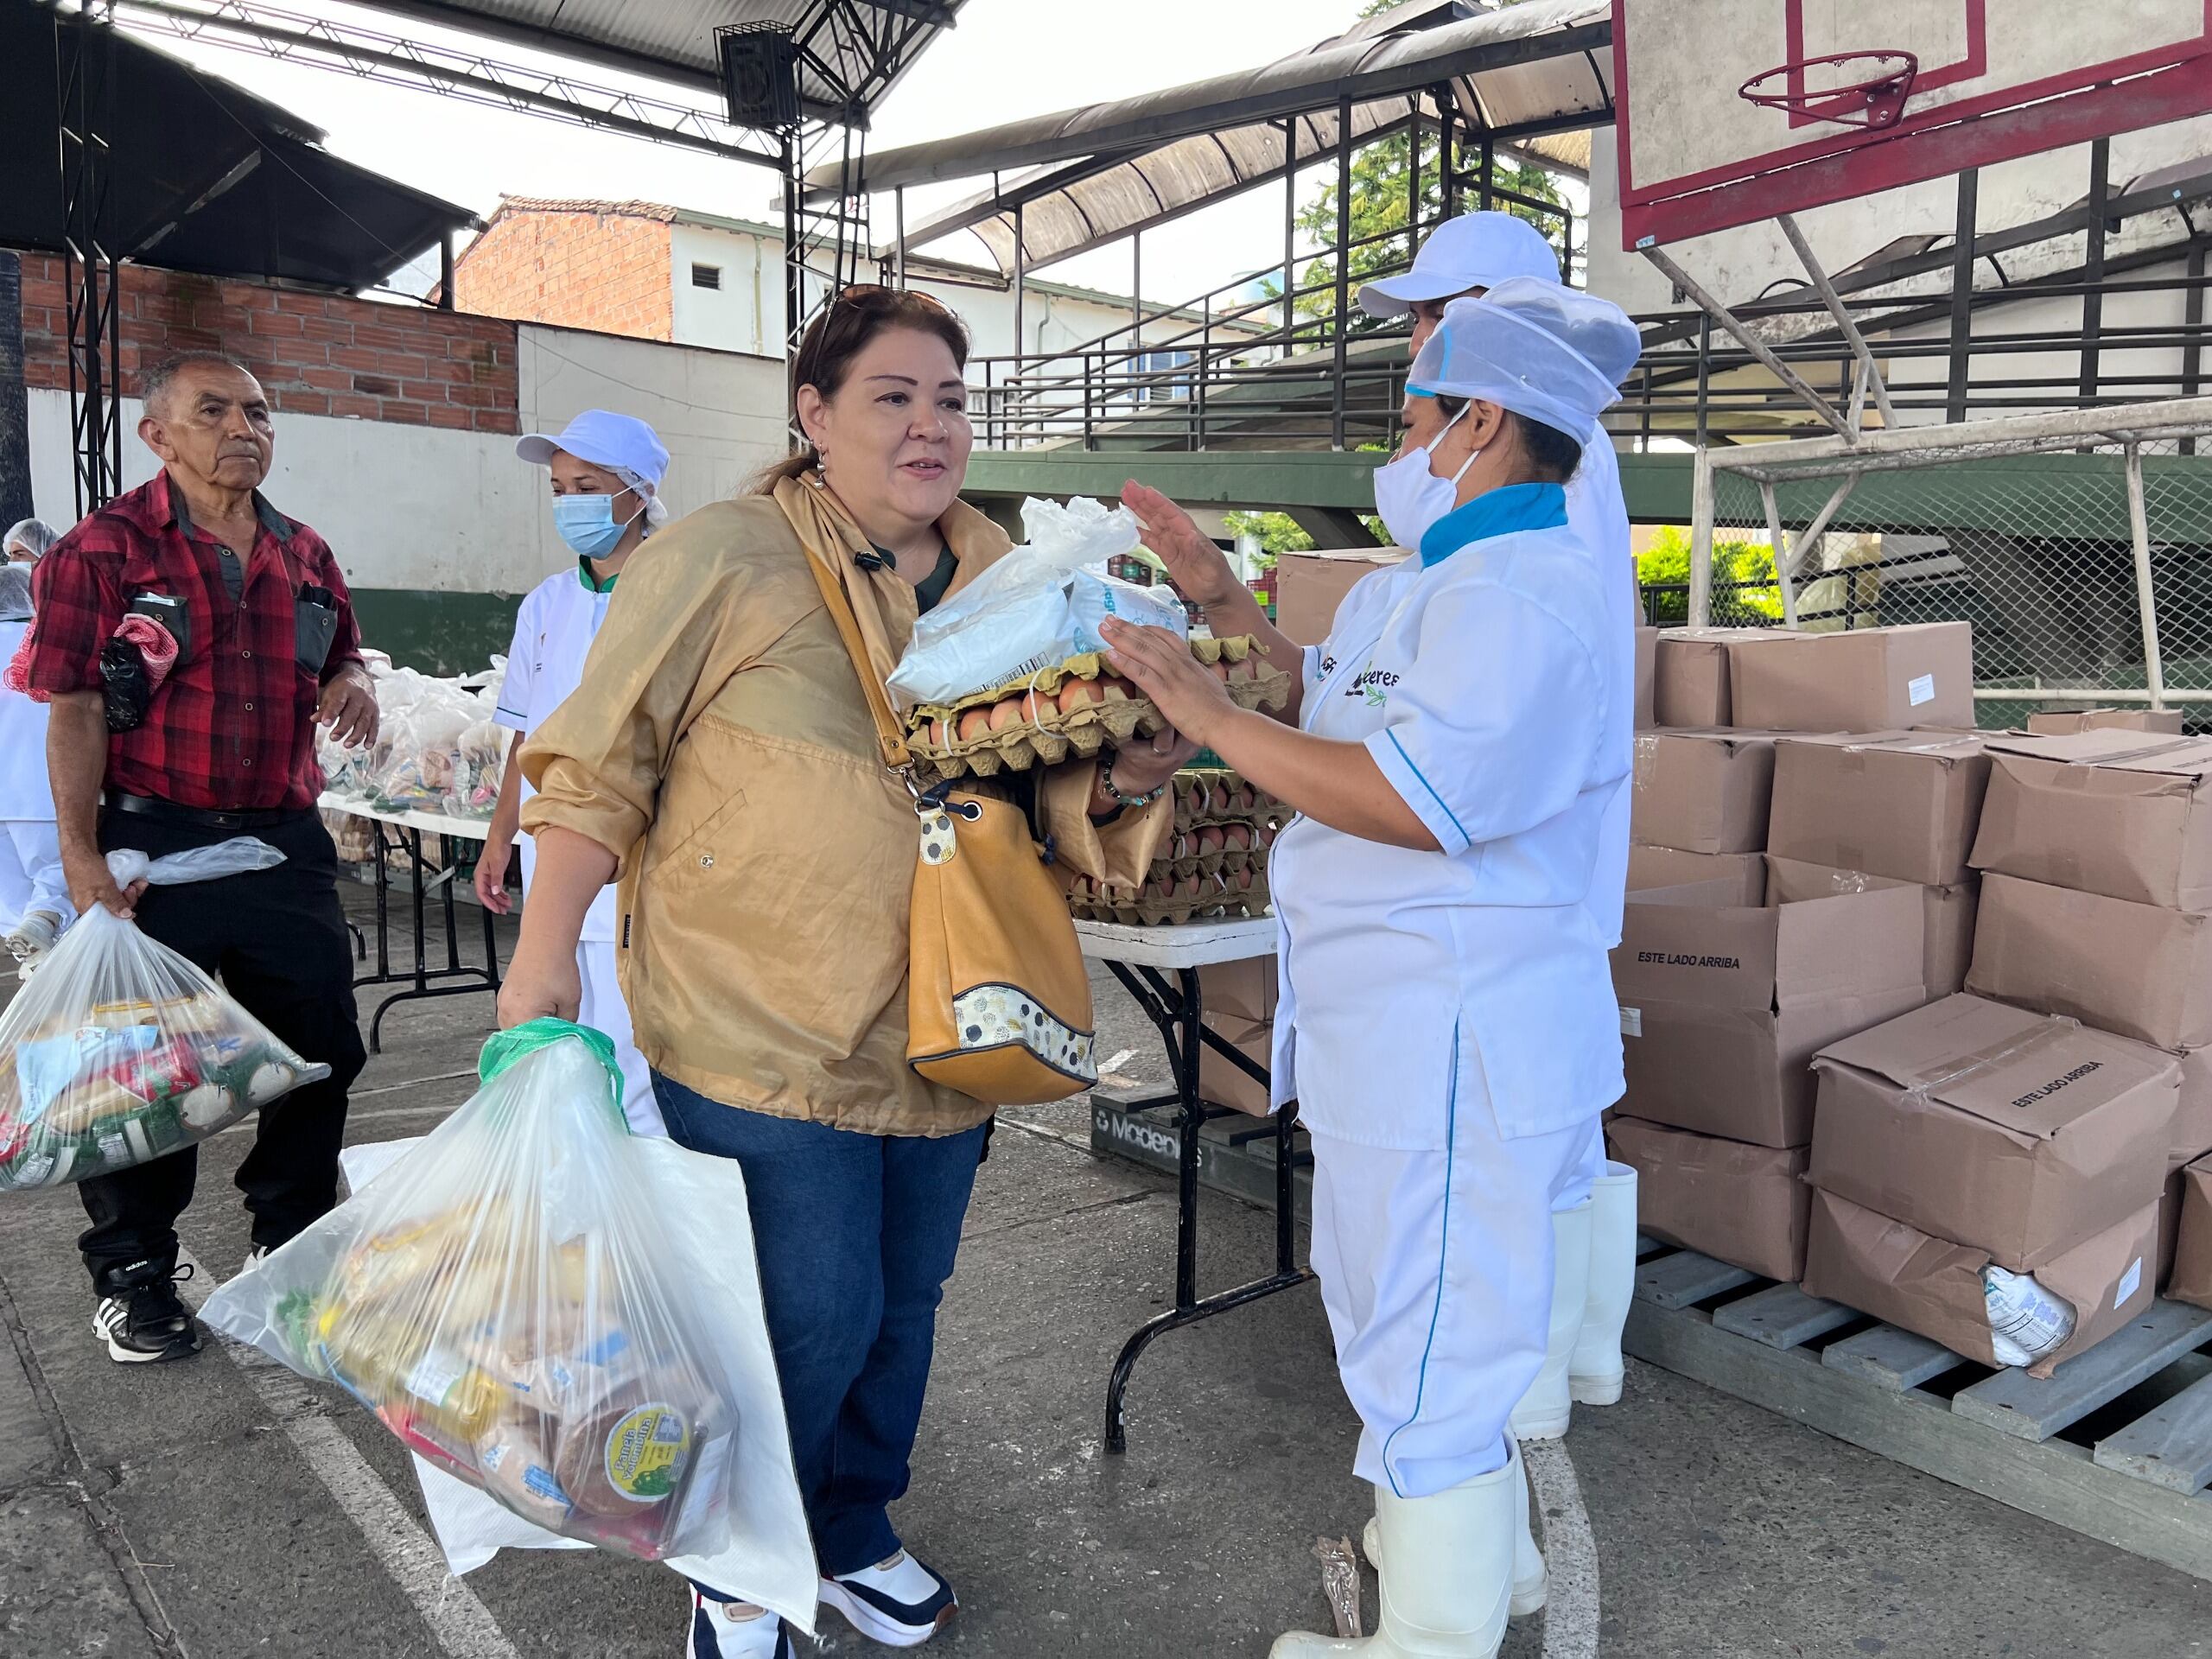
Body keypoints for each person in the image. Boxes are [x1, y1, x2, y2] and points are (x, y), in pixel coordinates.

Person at [497, 286, 1186, 1659]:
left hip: (951, 1013)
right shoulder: (720, 558)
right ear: (812, 415)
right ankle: (743, 1559)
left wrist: (1128, 770)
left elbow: (1059, 808)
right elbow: (597, 765)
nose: (929, 425)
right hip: (761, 1020)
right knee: (803, 1308)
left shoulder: (1017, 580)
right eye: (891, 395)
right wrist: (538, 968)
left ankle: (853, 1522)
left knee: (905, 1304)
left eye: (950, 398)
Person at [1102, 280, 1643, 1659]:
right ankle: (1485, 1567)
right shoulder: (1440, 584)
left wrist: (1210, 714)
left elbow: (1410, 796)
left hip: (1451, 1036)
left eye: (1412, 420)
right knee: (1402, 1320)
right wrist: (1220, 603)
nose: (1394, 454)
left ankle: (1432, 1641)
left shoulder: (1527, 601)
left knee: (1430, 1347)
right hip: (1393, 1034)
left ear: (1482, 420)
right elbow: (1321, 700)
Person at [22, 351, 375, 1364]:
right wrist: (82, 857)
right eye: (213, 409)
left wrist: (353, 677)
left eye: (259, 411)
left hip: (281, 843)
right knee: (145, 1075)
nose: (244, 428)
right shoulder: (100, 552)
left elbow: (342, 646)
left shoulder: (304, 551)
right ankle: (134, 1271)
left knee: (322, 1053)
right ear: (158, 436)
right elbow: (75, 708)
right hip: (152, 843)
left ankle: (290, 1234)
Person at [1364, 211, 1642, 1450]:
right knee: (1557, 1143)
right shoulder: (1569, 480)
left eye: (1432, 322)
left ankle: (1522, 1401)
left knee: (1492, 1217)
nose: (1414, 354)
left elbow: (1446, 763)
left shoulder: (1520, 537)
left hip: (1492, 907)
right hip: (1542, 880)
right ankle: (1564, 1372)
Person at [477, 410, 672, 1136]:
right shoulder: (546, 605)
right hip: (551, 853)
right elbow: (527, 734)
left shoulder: (672, 592)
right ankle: (586, 1183)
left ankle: (639, 1195)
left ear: (637, 491)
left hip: (634, 860)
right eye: (560, 488)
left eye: (587, 486)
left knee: (636, 1055)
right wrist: (499, 838)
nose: (570, 504)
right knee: (561, 1037)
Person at [0, 561, 72, 971]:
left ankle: (35, 971)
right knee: (54, 882)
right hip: (39, 788)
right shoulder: (42, 644)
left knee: (12, 908)